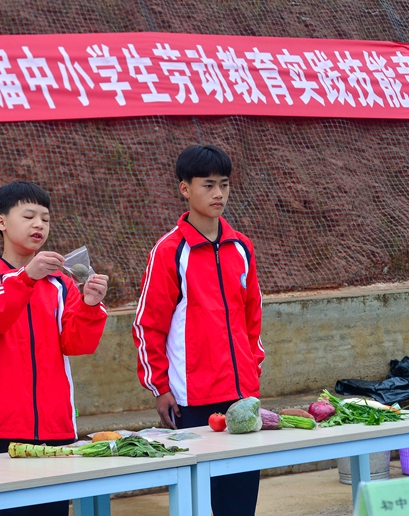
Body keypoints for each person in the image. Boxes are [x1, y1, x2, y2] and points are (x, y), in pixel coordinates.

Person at [132, 144, 265, 516]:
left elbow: (252, 317)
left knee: (240, 505)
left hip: (242, 398)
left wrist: (253, 368)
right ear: (185, 189)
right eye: (208, 185)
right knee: (198, 506)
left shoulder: (242, 247)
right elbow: (147, 325)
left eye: (224, 184)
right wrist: (160, 387)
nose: (218, 194)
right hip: (192, 400)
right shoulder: (169, 251)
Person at [0, 181, 109, 516]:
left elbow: (78, 344)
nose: (39, 225)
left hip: (57, 427)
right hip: (2, 428)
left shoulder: (62, 283)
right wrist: (26, 278)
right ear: (1, 222)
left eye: (45, 218)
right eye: (28, 216)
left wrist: (88, 304)